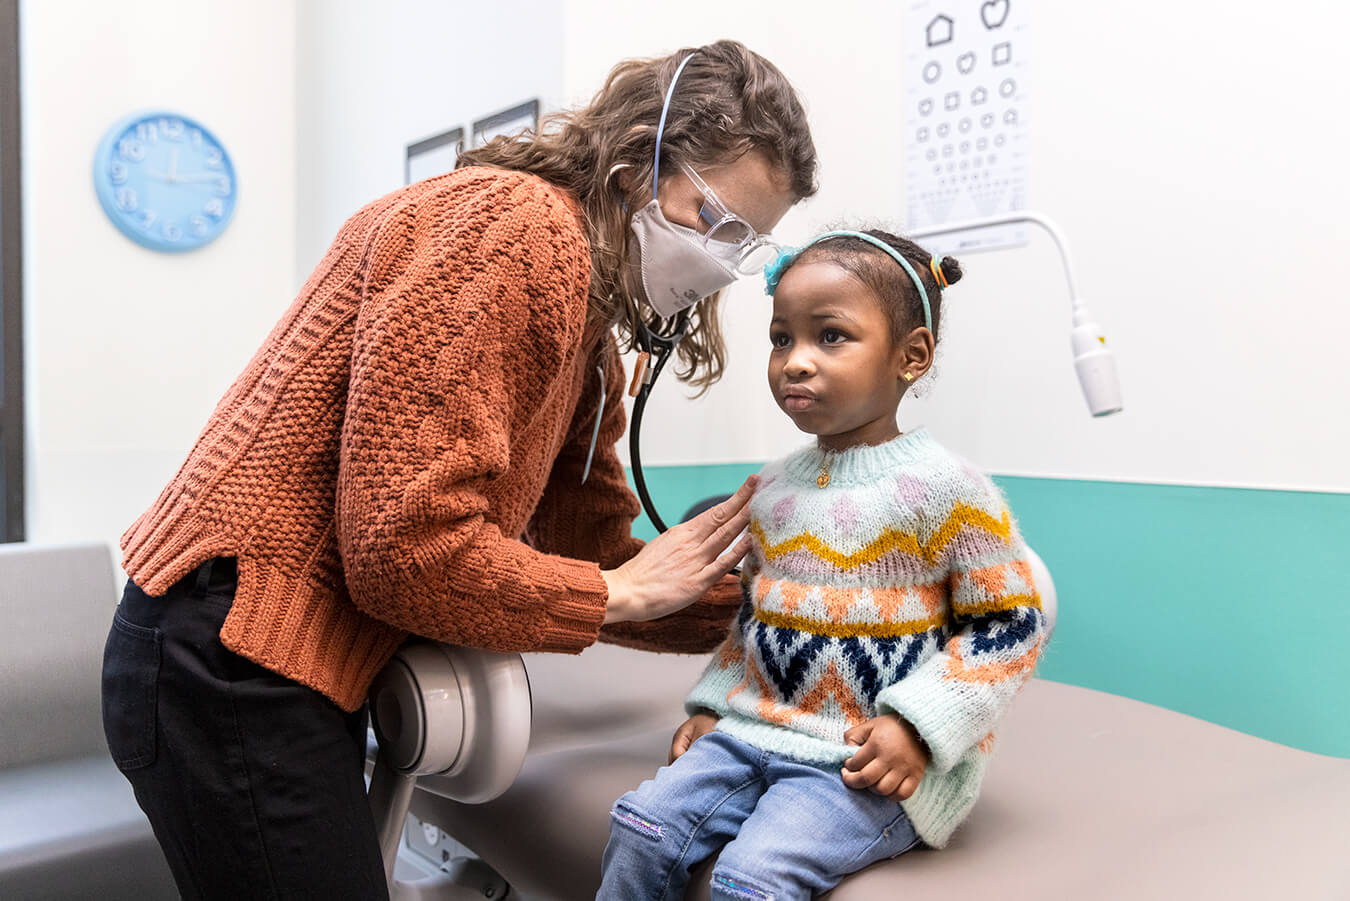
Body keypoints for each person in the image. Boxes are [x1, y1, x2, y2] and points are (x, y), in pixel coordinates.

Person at [99, 41, 817, 900]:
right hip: (228, 652)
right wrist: (621, 596)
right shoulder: (512, 229)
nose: (723, 260)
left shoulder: (590, 342)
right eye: (717, 222)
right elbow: (405, 550)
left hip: (265, 657)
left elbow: (594, 556)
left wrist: (770, 610)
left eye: (748, 243)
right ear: (635, 167)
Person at [598, 230, 1048, 899]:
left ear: (911, 356)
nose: (795, 361)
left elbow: (1010, 626)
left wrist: (917, 726)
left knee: (752, 880)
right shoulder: (773, 488)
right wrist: (715, 704)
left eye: (830, 336)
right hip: (752, 731)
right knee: (639, 827)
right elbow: (755, 618)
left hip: (863, 758)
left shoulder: (949, 491)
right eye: (782, 338)